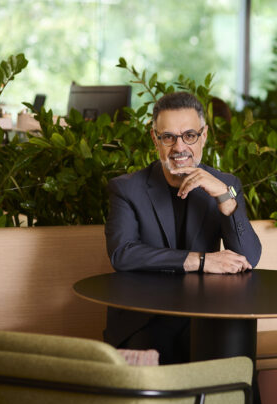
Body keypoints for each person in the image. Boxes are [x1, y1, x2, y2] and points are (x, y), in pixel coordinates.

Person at [103, 91, 262, 364]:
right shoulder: (127, 188)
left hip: (204, 313)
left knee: (234, 352)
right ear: (155, 139)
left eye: (189, 135)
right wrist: (201, 260)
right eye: (168, 137)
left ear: (204, 136)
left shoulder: (226, 184)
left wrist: (225, 198)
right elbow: (122, 254)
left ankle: (237, 394)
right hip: (145, 317)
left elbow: (249, 257)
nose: (179, 147)